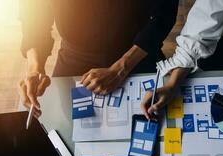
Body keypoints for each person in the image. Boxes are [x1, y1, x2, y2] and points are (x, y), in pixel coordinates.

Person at [18, 0, 178, 117]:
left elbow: (164, 14)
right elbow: (34, 17)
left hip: (137, 52)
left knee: (152, 123)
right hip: (74, 56)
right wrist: (35, 68)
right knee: (69, 129)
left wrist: (121, 68)